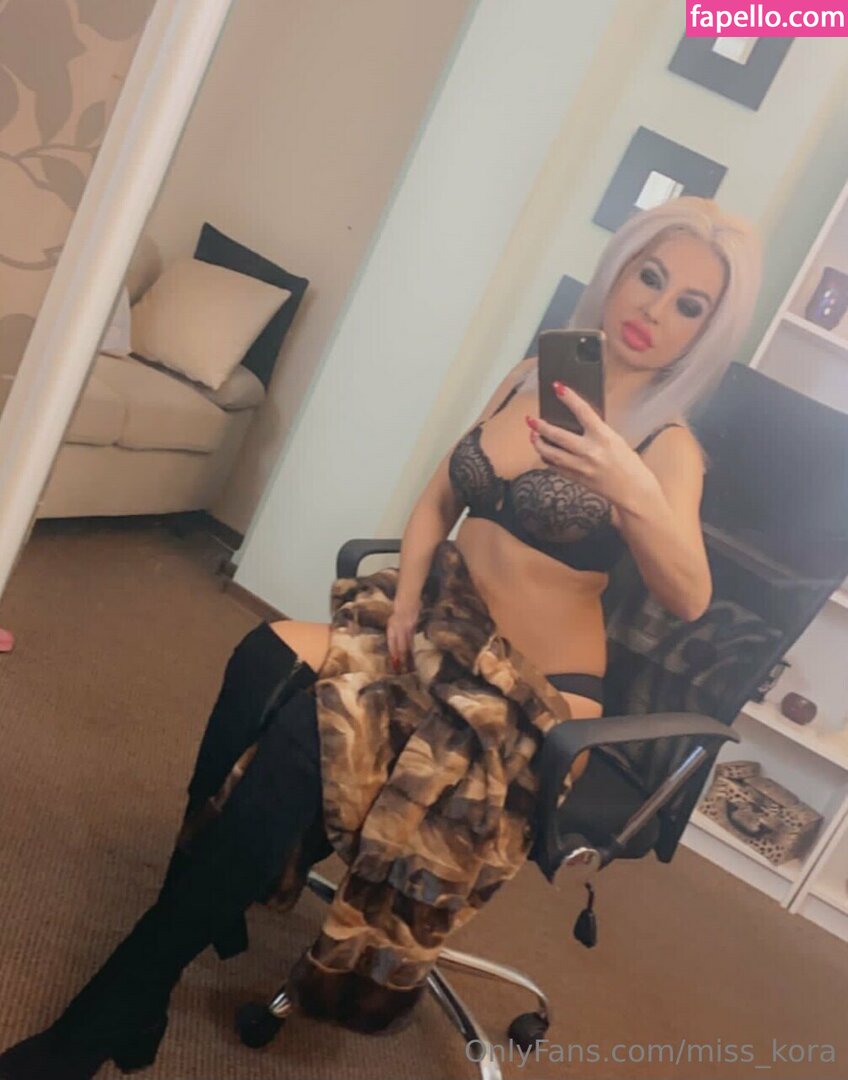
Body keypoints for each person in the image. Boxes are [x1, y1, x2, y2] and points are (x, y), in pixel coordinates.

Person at [0, 196, 761, 1078]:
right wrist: (404, 598)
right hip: (436, 625)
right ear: (619, 269)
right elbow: (440, 495)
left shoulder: (666, 446)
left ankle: (111, 1014)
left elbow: (689, 595)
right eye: (649, 276)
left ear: (705, 335)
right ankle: (199, 908)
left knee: (303, 738)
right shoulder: (533, 374)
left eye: (688, 306)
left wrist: (628, 486)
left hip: (526, 694)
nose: (654, 310)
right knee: (260, 659)